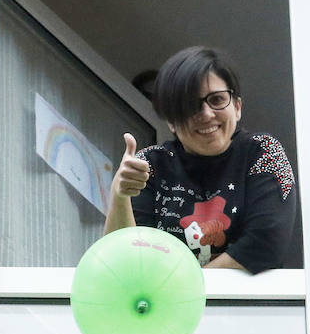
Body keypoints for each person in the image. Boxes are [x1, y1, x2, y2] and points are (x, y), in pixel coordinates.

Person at [105, 46, 296, 272]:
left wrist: (186, 291)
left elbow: (266, 244)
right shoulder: (149, 165)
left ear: (237, 107)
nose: (206, 114)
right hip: (163, 305)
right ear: (171, 122)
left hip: (239, 306)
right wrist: (120, 194)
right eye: (190, 106)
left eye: (217, 100)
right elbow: (123, 260)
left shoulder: (263, 152)